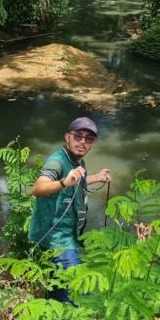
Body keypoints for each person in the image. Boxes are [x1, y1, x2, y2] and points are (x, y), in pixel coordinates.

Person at [27, 116, 111, 303]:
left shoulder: (78, 161)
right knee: (77, 290)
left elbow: (77, 182)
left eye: (88, 139)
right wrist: (64, 182)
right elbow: (38, 188)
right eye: (78, 136)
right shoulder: (56, 162)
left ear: (93, 143)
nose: (82, 142)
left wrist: (96, 177)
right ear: (67, 137)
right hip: (56, 239)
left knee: (59, 291)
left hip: (70, 237)